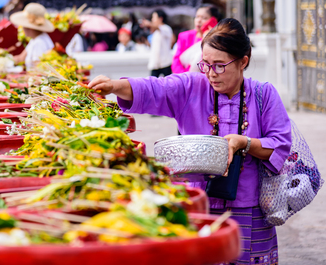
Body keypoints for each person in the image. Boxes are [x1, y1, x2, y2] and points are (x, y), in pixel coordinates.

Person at [88, 18, 291, 264]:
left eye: (219, 66)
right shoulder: (192, 86)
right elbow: (156, 89)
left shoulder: (264, 94)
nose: (211, 74)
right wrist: (114, 85)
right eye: (205, 64)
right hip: (199, 203)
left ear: (242, 62)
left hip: (250, 207)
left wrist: (245, 143)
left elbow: (280, 144)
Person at [171, 4, 221, 73]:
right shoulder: (184, 36)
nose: (199, 21)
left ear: (213, 20)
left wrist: (209, 39)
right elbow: (176, 61)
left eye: (204, 18)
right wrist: (186, 77)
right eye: (197, 17)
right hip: (183, 78)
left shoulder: (217, 40)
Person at [10, 3, 55, 70]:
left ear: (30, 27)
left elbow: (37, 70)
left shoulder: (39, 43)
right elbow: (20, 58)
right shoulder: (35, 39)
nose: (22, 28)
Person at [142, 10, 173, 77]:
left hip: (165, 62)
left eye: (154, 17)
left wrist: (149, 24)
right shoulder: (155, 33)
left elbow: (159, 28)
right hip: (155, 63)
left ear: (160, 18)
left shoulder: (166, 28)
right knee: (152, 84)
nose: (152, 20)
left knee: (169, 84)